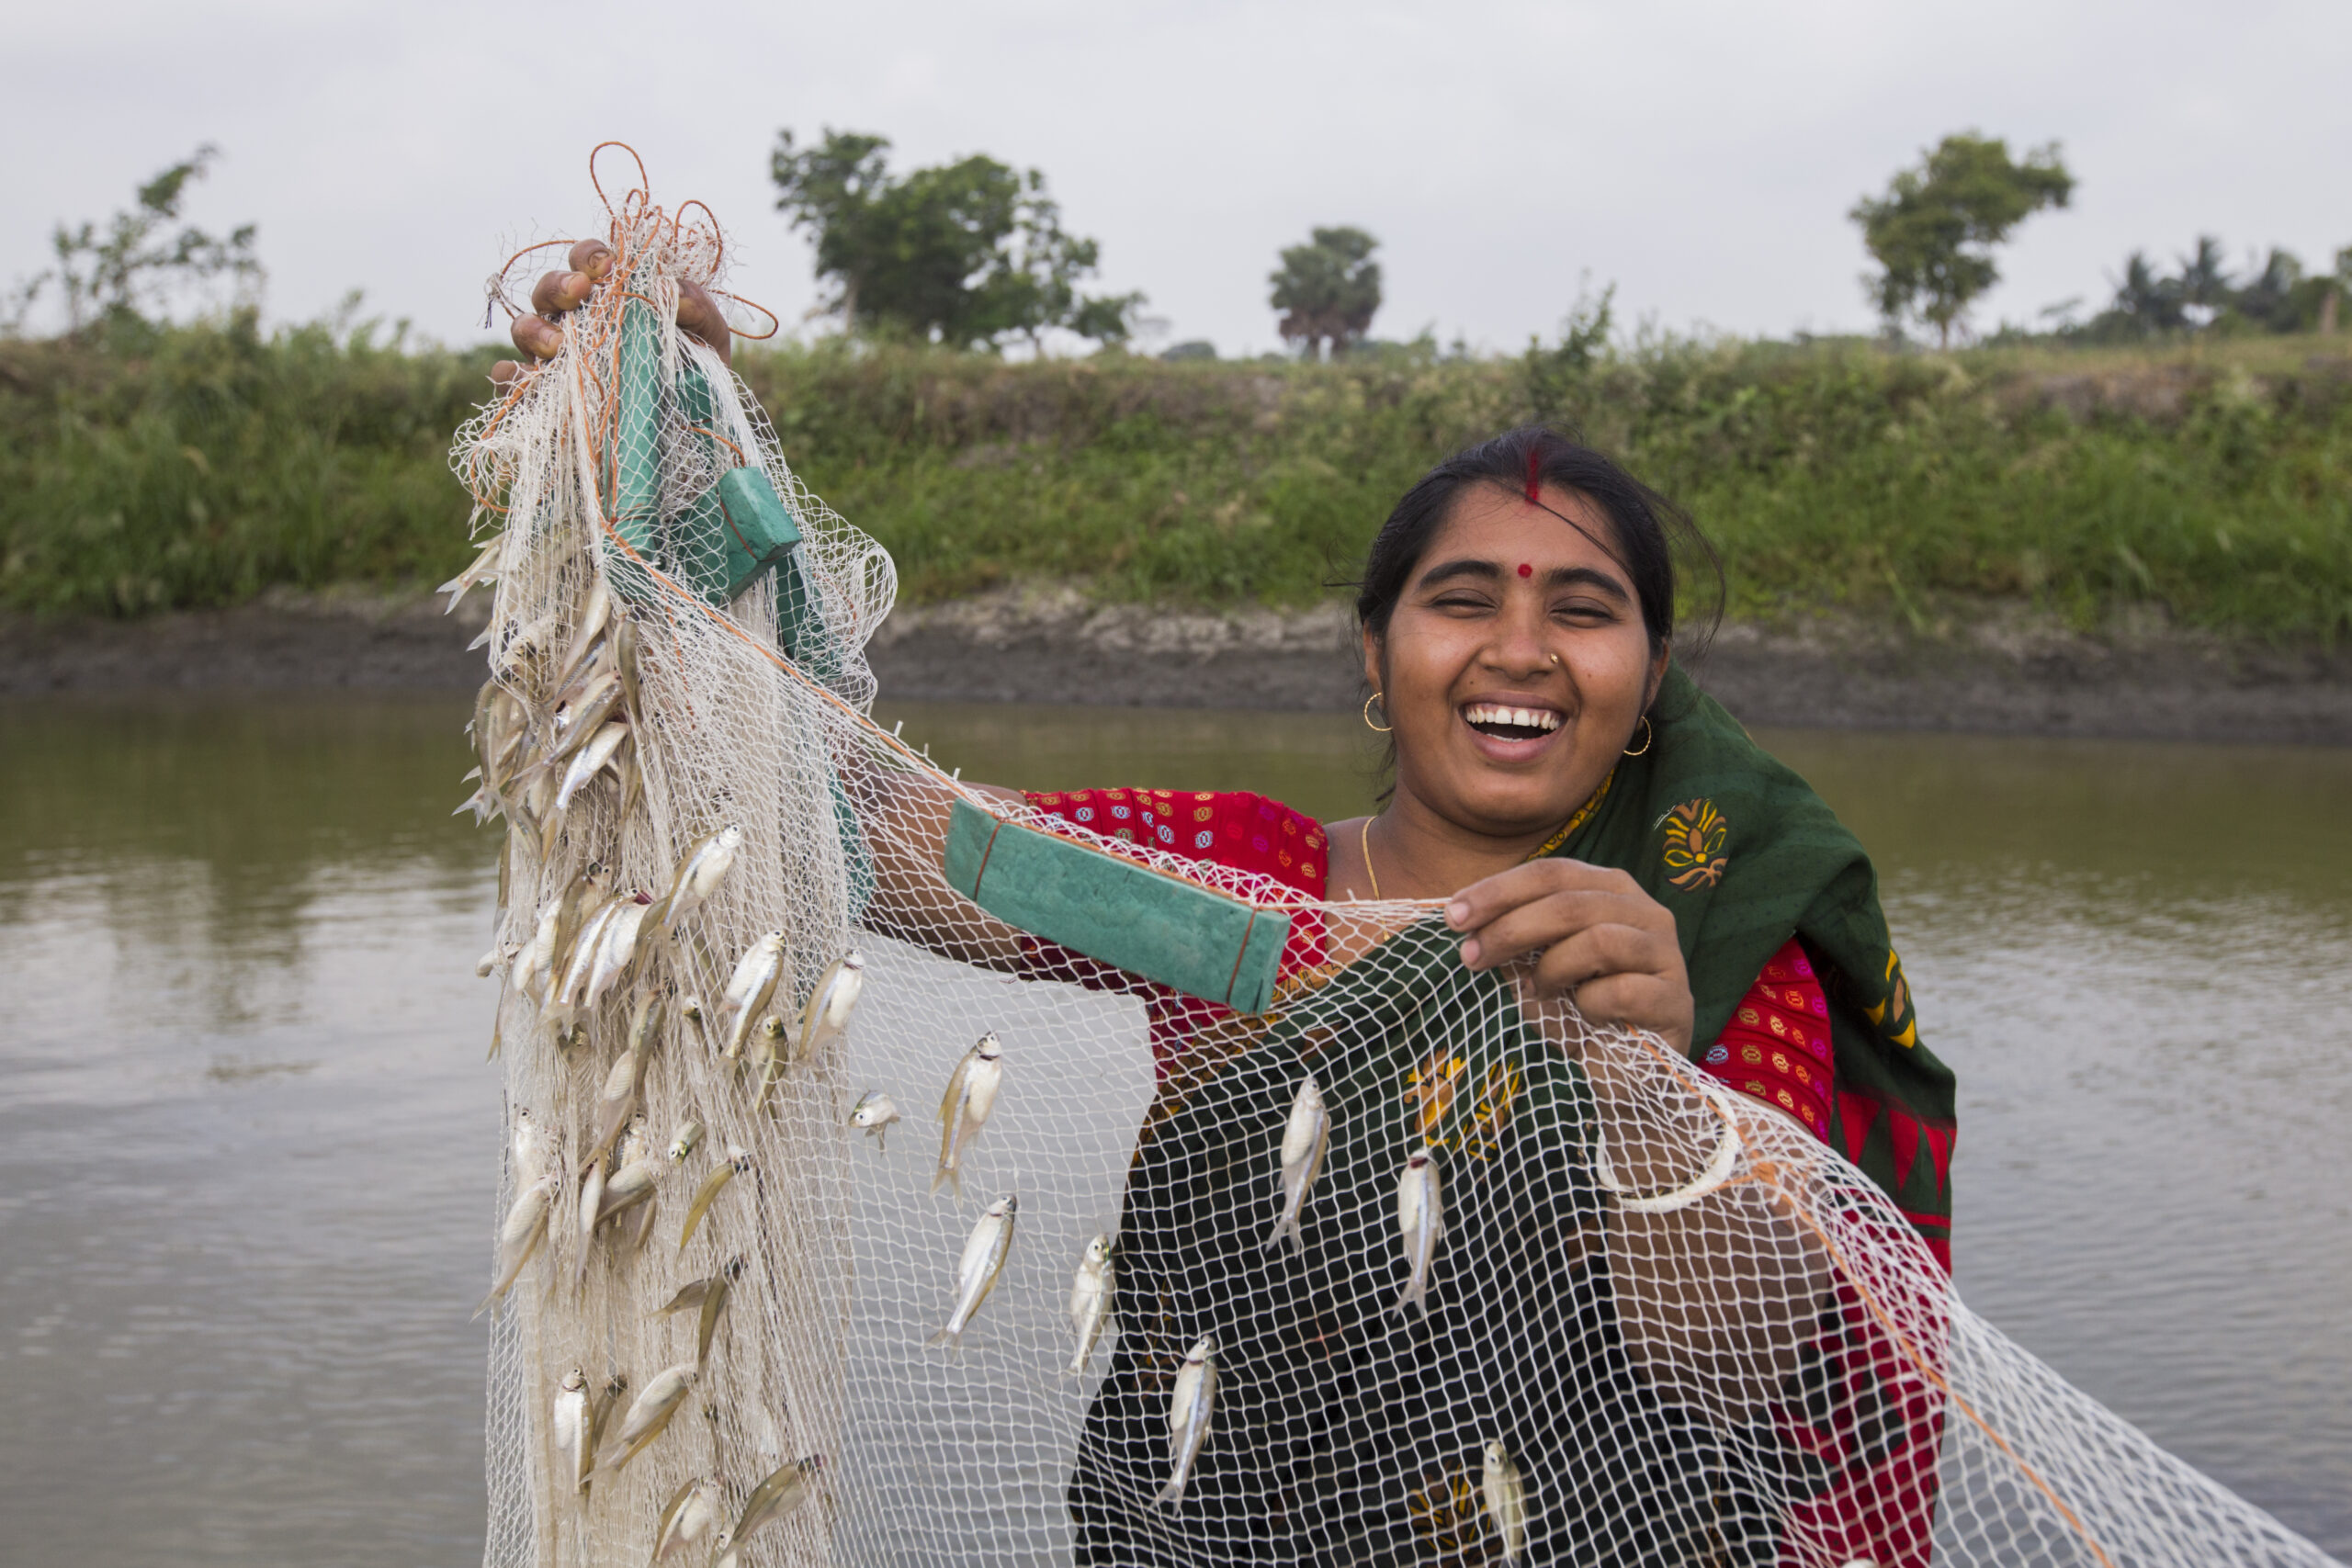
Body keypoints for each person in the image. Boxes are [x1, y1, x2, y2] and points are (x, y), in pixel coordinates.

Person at [511, 292, 1956, 1565]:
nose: (1520, 649)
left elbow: (1733, 1363)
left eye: (1586, 612)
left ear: (1648, 687)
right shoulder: (1234, 881)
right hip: (1202, 1535)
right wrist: (683, 458)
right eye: (1461, 602)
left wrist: (1646, 1075)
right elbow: (877, 841)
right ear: (1378, 660)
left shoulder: (1707, 937)